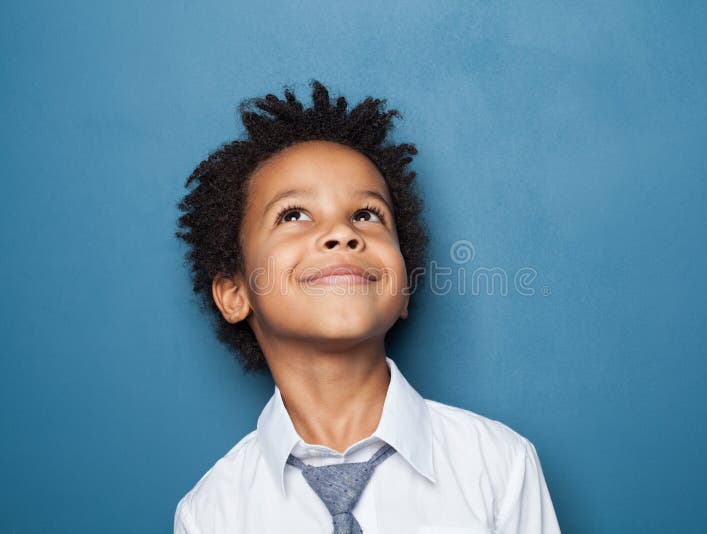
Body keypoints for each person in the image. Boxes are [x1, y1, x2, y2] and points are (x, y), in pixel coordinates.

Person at [173, 80, 560, 533]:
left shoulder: (500, 468)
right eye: (293, 214)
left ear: (403, 293)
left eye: (367, 215)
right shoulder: (210, 514)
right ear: (235, 294)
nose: (342, 233)